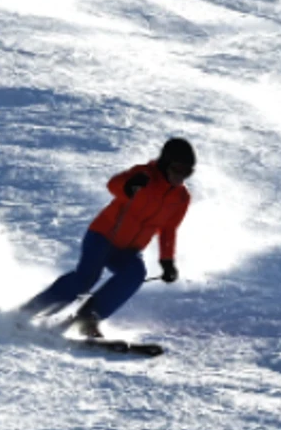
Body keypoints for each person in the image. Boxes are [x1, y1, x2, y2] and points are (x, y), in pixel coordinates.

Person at [19, 137, 195, 340]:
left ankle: (89, 318)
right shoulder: (145, 174)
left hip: (128, 249)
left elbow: (168, 229)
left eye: (187, 172)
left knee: (135, 273)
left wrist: (167, 261)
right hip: (103, 235)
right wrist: (129, 186)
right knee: (86, 278)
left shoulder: (181, 197)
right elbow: (113, 185)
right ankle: (31, 310)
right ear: (165, 164)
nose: (181, 176)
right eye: (177, 169)